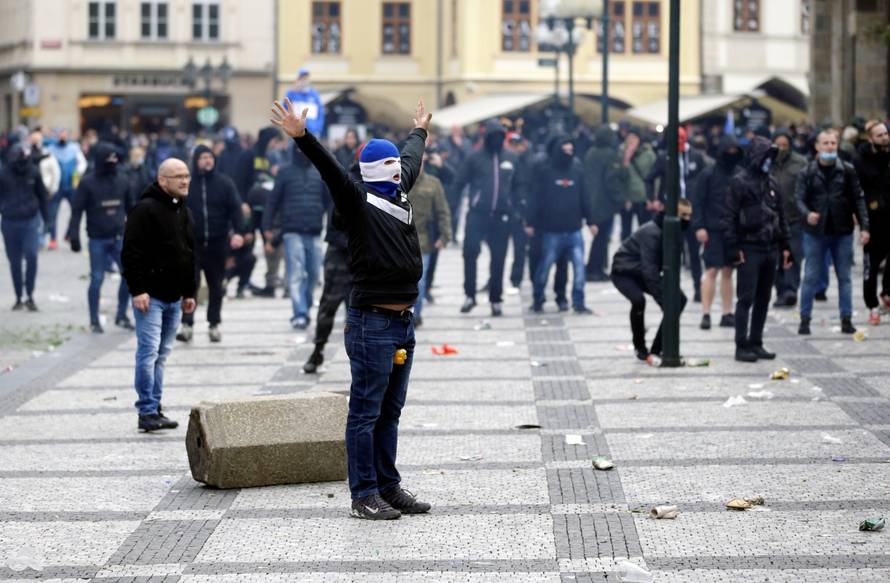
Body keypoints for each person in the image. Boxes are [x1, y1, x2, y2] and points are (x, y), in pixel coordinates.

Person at [272, 96, 432, 520]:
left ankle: (389, 486)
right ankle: (364, 495)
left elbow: (412, 158)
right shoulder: (358, 201)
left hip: (401, 323)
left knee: (390, 412)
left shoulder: (399, 192)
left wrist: (419, 130)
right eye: (391, 166)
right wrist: (303, 137)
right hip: (371, 324)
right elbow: (330, 172)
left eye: (399, 166)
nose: (399, 171)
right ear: (373, 172)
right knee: (365, 412)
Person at [122, 158, 197, 432]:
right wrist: (138, 289)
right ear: (162, 180)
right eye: (178, 176)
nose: (185, 180)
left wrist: (189, 292)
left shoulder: (183, 210)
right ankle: (146, 411)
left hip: (176, 297)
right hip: (150, 297)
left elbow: (189, 254)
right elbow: (131, 253)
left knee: (162, 354)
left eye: (187, 175)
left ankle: (155, 405)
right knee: (148, 352)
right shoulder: (144, 210)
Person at [722, 137, 794, 361]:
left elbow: (781, 216)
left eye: (771, 157)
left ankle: (756, 341)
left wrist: (786, 246)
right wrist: (733, 247)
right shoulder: (740, 183)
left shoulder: (772, 183)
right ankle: (741, 345)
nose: (768, 161)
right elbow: (729, 216)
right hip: (749, 248)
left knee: (763, 298)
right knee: (746, 298)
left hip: (770, 248)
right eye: (766, 156)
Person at [796, 129, 870, 335]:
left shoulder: (847, 170)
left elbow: (858, 200)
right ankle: (805, 319)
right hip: (815, 232)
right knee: (810, 276)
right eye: (826, 143)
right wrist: (807, 213)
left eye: (833, 143)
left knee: (844, 277)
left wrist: (864, 227)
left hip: (842, 231)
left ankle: (846, 318)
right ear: (817, 147)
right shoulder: (807, 171)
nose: (830, 146)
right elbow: (799, 199)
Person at [175, 145, 245, 343]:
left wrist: (239, 232)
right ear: (196, 161)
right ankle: (187, 324)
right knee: (190, 286)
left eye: (210, 157)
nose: (208, 160)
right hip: (191, 245)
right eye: (203, 157)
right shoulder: (186, 185)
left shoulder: (224, 183)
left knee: (216, 286)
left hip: (217, 243)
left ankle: (214, 324)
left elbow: (236, 210)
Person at [454, 119, 522, 317]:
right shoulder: (474, 158)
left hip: (501, 216)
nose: (497, 140)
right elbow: (460, 182)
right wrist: (454, 205)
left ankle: (495, 299)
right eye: (494, 137)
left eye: (500, 137)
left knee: (499, 259)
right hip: (477, 214)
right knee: (470, 253)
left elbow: (519, 185)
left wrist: (517, 208)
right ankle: (470, 295)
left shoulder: (510, 157)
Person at [611, 199, 692, 361]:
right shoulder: (652, 232)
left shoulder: (672, 229)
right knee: (638, 300)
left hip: (642, 271)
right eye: (683, 215)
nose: (687, 219)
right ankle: (640, 347)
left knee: (679, 300)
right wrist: (663, 300)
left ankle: (657, 349)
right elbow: (650, 270)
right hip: (624, 272)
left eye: (689, 215)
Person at [66, 142, 134, 333]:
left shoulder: (123, 180)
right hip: (97, 239)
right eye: (109, 158)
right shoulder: (88, 182)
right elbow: (77, 209)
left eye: (114, 158)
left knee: (128, 277)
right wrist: (73, 235)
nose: (112, 162)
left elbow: (132, 208)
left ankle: (121, 315)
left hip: (119, 236)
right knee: (97, 279)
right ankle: (94, 319)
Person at [527, 135, 597, 314]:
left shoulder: (577, 171)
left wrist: (591, 221)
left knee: (579, 268)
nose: (569, 154)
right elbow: (536, 198)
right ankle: (538, 297)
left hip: (574, 229)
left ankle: (577, 301)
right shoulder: (545, 171)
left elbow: (585, 197)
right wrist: (531, 221)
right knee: (545, 267)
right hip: (551, 230)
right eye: (565, 150)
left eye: (571, 150)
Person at [263, 145, 329, 330]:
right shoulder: (285, 173)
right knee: (296, 274)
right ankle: (299, 313)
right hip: (292, 230)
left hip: (315, 230)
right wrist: (267, 226)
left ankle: (305, 307)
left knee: (314, 273)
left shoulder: (319, 171)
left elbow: (328, 201)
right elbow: (273, 201)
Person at [646, 127, 706, 302]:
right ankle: (673, 289)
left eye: (681, 140)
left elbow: (703, 180)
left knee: (694, 254)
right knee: (672, 253)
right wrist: (653, 199)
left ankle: (698, 289)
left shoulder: (695, 156)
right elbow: (649, 178)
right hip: (671, 212)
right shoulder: (664, 157)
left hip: (690, 212)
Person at [692, 135, 742, 330]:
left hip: (731, 231)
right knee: (712, 270)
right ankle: (706, 312)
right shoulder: (708, 174)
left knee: (728, 271)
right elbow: (698, 202)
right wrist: (700, 226)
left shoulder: (739, 174)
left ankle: (727, 312)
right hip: (712, 230)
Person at [0, 143, 49, 311]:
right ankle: (18, 296)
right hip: (9, 222)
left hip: (30, 220)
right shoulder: (3, 173)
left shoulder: (33, 171)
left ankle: (30, 294)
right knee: (14, 262)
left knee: (31, 256)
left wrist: (47, 221)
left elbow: (42, 196)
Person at [234, 127, 282, 297]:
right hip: (248, 208)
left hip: (265, 208)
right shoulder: (248, 155)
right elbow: (238, 181)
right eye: (274, 141)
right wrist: (241, 202)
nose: (275, 145)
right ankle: (242, 283)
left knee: (269, 242)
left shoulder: (267, 156)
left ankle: (270, 283)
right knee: (247, 243)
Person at [409, 154, 452, 326]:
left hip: (424, 241)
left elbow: (443, 212)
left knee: (420, 281)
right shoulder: (399, 182)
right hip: (401, 240)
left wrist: (445, 236)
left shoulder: (433, 183)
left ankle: (416, 315)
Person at [854, 120, 890, 325]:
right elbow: (856, 190)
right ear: (870, 139)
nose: (884, 138)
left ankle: (887, 292)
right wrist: (859, 218)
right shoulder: (860, 160)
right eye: (879, 135)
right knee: (871, 265)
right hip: (872, 219)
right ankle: (872, 305)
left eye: (886, 133)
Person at [771, 128, 809, 307]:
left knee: (794, 256)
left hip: (794, 219)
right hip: (772, 220)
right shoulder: (767, 162)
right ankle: (780, 291)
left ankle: (791, 290)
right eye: (778, 145)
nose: (781, 148)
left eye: (785, 145)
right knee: (776, 258)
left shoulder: (800, 163)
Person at [584, 126, 624, 282]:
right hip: (605, 202)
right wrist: (620, 198)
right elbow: (611, 180)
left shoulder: (590, 153)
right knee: (602, 238)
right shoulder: (610, 155)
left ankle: (594, 268)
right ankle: (596, 269)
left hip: (591, 200)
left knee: (598, 238)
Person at [47, 129, 88, 251]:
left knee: (75, 212)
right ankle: (53, 238)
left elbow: (83, 163)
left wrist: (77, 172)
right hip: (56, 187)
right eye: (60, 134)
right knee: (52, 214)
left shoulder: (74, 148)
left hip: (71, 186)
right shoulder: (51, 149)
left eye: (64, 134)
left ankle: (69, 234)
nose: (62, 137)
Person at [618, 128, 656, 240]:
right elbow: (620, 177)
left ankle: (645, 255)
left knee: (645, 230)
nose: (631, 141)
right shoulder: (621, 153)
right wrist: (626, 159)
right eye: (629, 138)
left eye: (634, 138)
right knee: (626, 231)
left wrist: (653, 198)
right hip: (627, 198)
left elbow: (655, 177)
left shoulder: (648, 154)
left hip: (643, 198)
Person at [28, 131, 61, 249]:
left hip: (47, 191)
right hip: (32, 192)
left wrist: (53, 189)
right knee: (35, 218)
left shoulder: (48, 154)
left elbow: (56, 173)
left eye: (37, 139)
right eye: (33, 139)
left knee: (50, 216)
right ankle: (38, 240)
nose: (35, 141)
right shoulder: (26, 153)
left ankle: (52, 238)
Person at [284, 68, 325, 136]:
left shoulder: (314, 94)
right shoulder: (292, 93)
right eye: (302, 78)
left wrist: (318, 129)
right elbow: (286, 108)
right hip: (296, 130)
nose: (304, 80)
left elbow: (320, 112)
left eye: (306, 78)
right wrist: (292, 91)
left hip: (312, 131)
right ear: (298, 79)